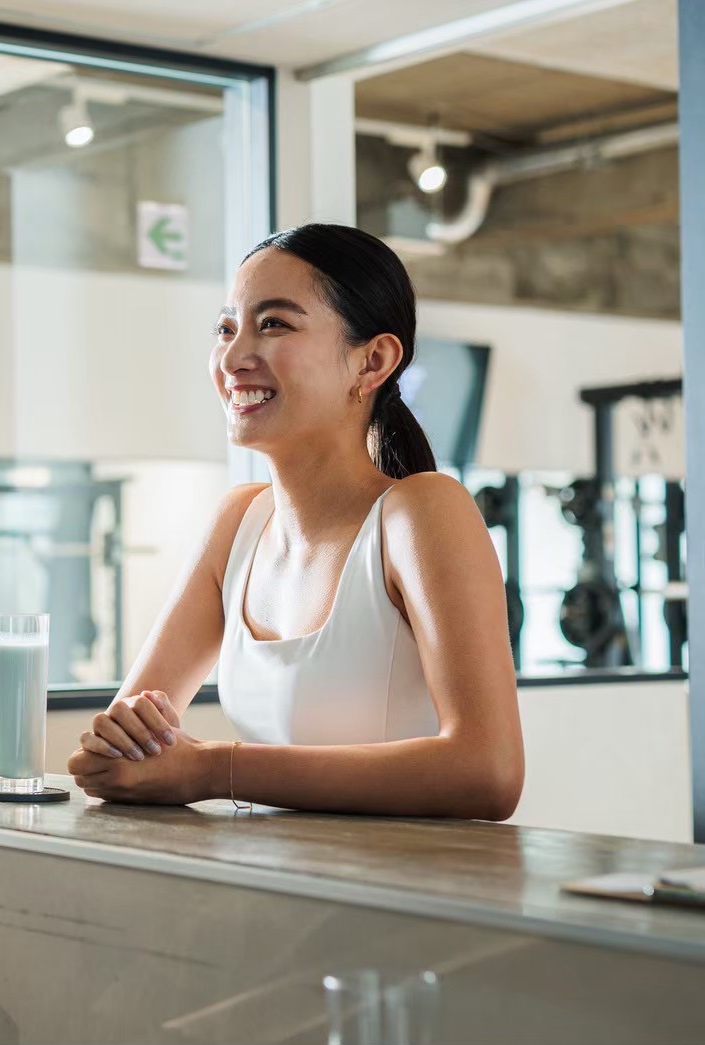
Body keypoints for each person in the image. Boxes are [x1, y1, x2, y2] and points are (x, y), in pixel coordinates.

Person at [68, 224, 524, 820]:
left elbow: (487, 772)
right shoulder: (237, 523)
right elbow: (125, 749)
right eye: (226, 328)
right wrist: (121, 748)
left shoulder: (422, 513)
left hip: (402, 899)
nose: (232, 358)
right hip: (271, 892)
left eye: (274, 323)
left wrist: (212, 768)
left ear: (373, 360)